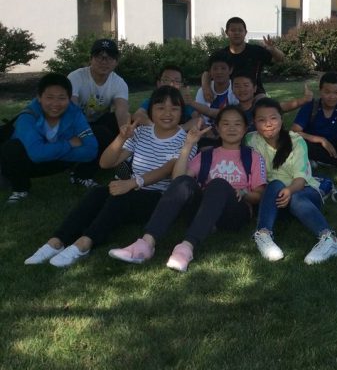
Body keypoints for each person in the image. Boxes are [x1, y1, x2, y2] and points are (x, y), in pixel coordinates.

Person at [24, 86, 193, 267]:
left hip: (158, 199)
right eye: (160, 108)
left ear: (181, 112)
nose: (167, 113)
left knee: (120, 197)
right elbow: (106, 163)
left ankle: (85, 242)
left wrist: (133, 182)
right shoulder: (142, 133)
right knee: (97, 193)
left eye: (174, 108)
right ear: (151, 110)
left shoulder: (186, 139)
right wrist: (121, 138)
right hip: (133, 187)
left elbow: (169, 169)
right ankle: (57, 241)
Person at [108, 106, 267, 272]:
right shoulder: (206, 155)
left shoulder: (253, 157)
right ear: (218, 128)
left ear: (245, 128)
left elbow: (259, 195)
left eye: (237, 124)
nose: (232, 128)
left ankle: (186, 248)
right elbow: (178, 181)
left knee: (218, 183)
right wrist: (188, 144)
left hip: (234, 213)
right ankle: (146, 243)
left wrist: (244, 193)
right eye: (226, 124)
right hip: (204, 209)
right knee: (186, 180)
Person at [246, 98, 337, 265]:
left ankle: (329, 239)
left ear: (282, 119)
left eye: (273, 118)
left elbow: (300, 178)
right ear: (254, 122)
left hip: (302, 190)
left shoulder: (295, 141)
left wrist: (290, 190)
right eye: (261, 120)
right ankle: (263, 234)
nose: (268, 124)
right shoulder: (250, 140)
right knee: (275, 184)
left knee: (296, 197)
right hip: (272, 196)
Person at [1, 73, 98, 204]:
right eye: (50, 97)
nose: (55, 104)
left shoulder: (74, 113)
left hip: (55, 161)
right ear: (39, 98)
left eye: (62, 98)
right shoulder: (27, 117)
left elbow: (92, 150)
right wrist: (69, 143)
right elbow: (36, 155)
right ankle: (20, 189)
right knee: (12, 148)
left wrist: (47, 150)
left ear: (69, 99)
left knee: (100, 133)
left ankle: (80, 176)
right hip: (29, 164)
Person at [67, 38, 131, 186]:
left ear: (116, 62)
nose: (104, 61)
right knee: (102, 134)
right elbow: (72, 109)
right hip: (72, 125)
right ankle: (80, 174)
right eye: (99, 57)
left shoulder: (119, 83)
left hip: (97, 122)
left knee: (119, 124)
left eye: (110, 58)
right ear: (91, 59)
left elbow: (122, 111)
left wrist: (125, 134)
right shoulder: (76, 77)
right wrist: (85, 132)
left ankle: (120, 160)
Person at [201, 16, 284, 101]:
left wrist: (273, 50)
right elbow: (206, 73)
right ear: (227, 32)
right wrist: (206, 88)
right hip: (229, 94)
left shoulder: (256, 51)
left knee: (263, 104)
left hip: (255, 93)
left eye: (240, 30)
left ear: (245, 32)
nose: (237, 33)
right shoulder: (220, 54)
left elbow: (280, 59)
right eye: (233, 30)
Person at [231, 70, 312, 132]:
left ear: (254, 88)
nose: (241, 89)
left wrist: (305, 99)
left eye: (246, 85)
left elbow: (283, 106)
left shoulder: (262, 106)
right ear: (232, 89)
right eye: (237, 86)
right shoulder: (232, 112)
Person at [133, 65, 198, 130]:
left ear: (181, 85)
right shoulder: (153, 101)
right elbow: (138, 115)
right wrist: (157, 128)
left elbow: (198, 120)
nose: (171, 84)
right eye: (166, 80)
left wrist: (178, 130)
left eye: (177, 81)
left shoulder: (184, 103)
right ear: (159, 83)